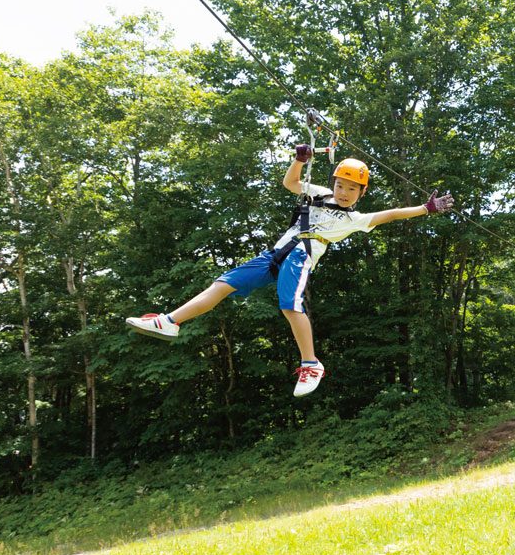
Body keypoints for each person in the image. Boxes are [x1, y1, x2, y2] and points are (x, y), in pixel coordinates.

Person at [126, 144, 454, 396]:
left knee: (289, 305)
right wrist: (300, 158)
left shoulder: (355, 220)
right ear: (333, 183)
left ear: (361, 193)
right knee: (223, 284)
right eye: (340, 185)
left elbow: (392, 214)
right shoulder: (319, 194)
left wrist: (425, 208)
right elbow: (290, 181)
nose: (343, 192)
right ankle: (169, 322)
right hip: (273, 256)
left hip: (300, 258)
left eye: (351, 189)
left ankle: (311, 364)